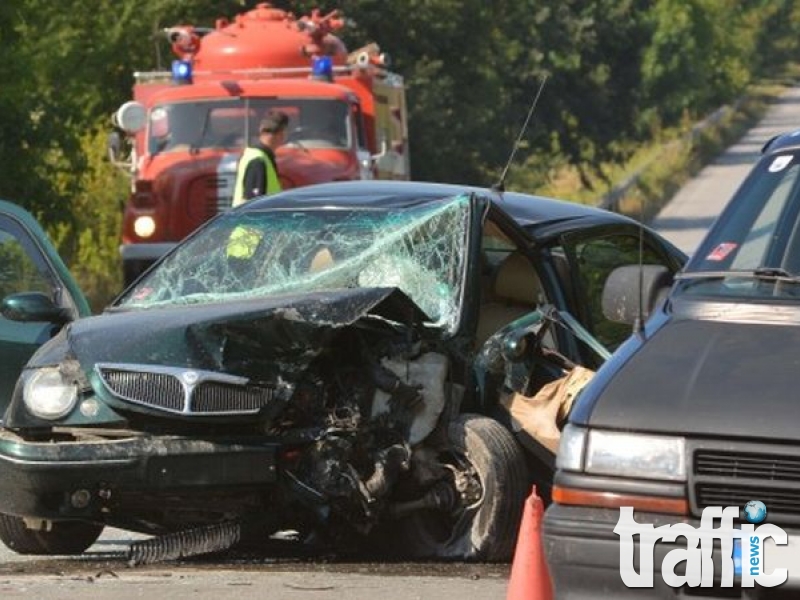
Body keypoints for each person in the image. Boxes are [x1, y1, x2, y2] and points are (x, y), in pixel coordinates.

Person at [232, 111, 289, 206]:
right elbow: (252, 203)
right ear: (281, 134)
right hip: (252, 220)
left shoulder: (255, 155)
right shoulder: (258, 160)